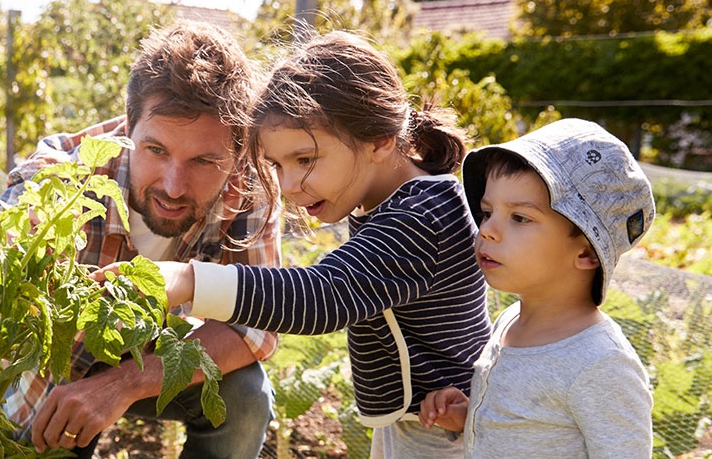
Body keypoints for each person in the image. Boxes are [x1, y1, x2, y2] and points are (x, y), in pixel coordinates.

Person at [0, 21, 281, 458]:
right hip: (54, 382)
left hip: (155, 362)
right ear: (129, 127)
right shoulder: (63, 179)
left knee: (245, 394)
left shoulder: (249, 189)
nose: (174, 185)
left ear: (237, 152)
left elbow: (256, 324)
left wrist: (124, 383)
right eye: (156, 150)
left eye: (204, 160)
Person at [116, 30, 494, 457]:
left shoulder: (422, 216)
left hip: (456, 431)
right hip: (427, 420)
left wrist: (189, 281)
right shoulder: (390, 203)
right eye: (277, 164)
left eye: (305, 160)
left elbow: (322, 295)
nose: (289, 185)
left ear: (380, 140)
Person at [418, 118, 655, 457]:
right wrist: (469, 418)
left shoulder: (601, 364)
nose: (488, 230)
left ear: (586, 250)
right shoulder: (509, 321)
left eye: (520, 218)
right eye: (487, 212)